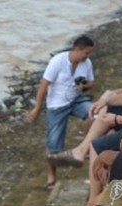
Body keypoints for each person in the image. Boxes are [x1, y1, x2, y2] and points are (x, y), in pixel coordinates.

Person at [28, 36, 96, 190]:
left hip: (76, 100)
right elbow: (44, 85)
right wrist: (37, 108)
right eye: (86, 53)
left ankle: (85, 148)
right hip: (57, 104)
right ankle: (51, 177)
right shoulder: (58, 61)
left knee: (95, 115)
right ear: (77, 50)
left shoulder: (87, 63)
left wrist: (84, 87)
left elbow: (92, 82)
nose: (88, 56)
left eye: (90, 53)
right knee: (54, 144)